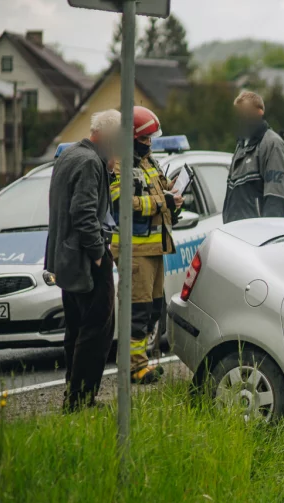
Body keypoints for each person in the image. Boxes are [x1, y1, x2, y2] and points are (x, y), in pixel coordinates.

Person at [45, 110, 121, 411]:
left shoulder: (68, 155)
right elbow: (84, 213)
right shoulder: (91, 162)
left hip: (65, 258)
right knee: (97, 329)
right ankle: (81, 398)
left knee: (75, 328)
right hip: (87, 259)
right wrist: (99, 254)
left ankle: (72, 393)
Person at [109, 106, 183, 385]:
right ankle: (133, 367)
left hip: (155, 248)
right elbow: (121, 203)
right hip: (134, 249)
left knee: (153, 309)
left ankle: (142, 361)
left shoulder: (148, 162)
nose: (149, 143)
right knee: (137, 311)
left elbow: (163, 189)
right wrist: (162, 201)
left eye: (152, 138)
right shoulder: (118, 164)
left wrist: (175, 196)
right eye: (145, 138)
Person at [222, 90, 284, 223]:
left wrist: (267, 236)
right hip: (236, 235)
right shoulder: (241, 146)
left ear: (259, 113)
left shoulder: (273, 145)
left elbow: (275, 201)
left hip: (257, 236)